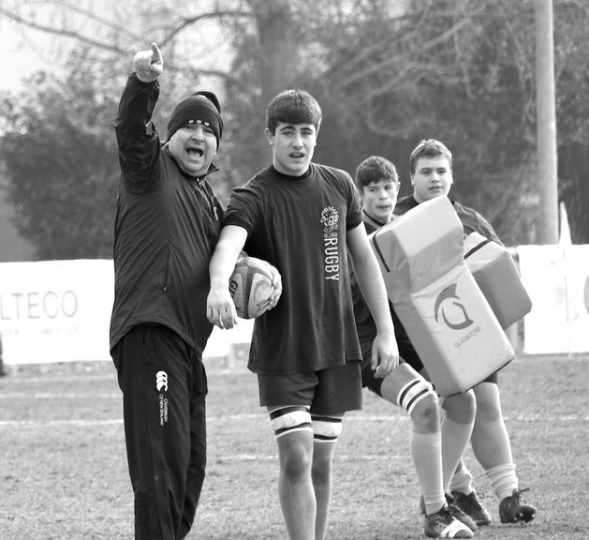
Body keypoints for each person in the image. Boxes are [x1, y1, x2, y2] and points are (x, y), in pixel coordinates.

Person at [206, 90, 400, 540]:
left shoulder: (339, 185)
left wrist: (385, 331)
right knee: (296, 456)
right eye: (288, 132)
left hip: (337, 345)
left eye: (306, 133)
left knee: (322, 462)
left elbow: (365, 260)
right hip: (284, 350)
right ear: (270, 135)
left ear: (317, 136)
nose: (298, 142)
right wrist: (219, 285)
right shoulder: (252, 195)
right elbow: (227, 246)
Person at [110, 42, 249, 540]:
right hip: (151, 333)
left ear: (216, 148)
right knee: (159, 473)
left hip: (188, 348)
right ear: (169, 138)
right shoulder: (149, 170)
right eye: (189, 125)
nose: (199, 134)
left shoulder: (210, 201)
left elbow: (227, 267)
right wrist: (144, 84)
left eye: (209, 130)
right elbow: (130, 129)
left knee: (189, 472)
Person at [395, 139, 537, 526]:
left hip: (471, 330)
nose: (435, 178)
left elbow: (498, 275)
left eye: (441, 171)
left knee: (488, 403)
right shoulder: (396, 221)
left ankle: (508, 495)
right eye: (426, 172)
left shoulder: (471, 219)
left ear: (452, 176)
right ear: (412, 178)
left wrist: (503, 336)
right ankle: (449, 494)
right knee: (454, 410)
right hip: (423, 341)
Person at [353, 156, 475, 539]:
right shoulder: (352, 236)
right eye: (372, 190)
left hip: (410, 343)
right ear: (360, 196)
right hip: (368, 347)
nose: (382, 196)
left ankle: (434, 496)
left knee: (462, 400)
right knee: (425, 407)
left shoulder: (405, 230)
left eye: (388, 188)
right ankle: (437, 512)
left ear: (397, 190)